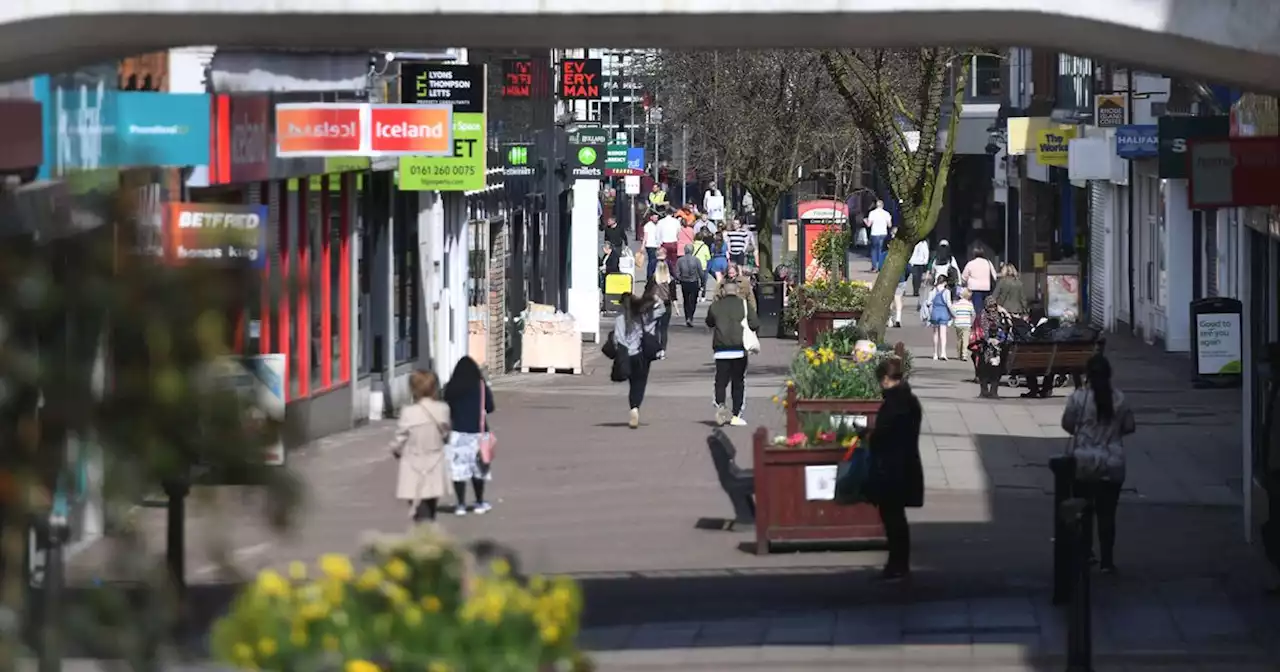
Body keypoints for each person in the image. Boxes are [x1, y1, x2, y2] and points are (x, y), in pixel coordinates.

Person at [1062, 354, 1136, 574]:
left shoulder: (1078, 398)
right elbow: (1129, 426)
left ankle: (1086, 554)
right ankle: (1107, 561)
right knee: (1107, 514)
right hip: (1112, 461)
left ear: (1088, 376)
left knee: (1084, 511)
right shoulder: (1120, 399)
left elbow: (1068, 424)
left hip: (1084, 461)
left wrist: (1085, 431)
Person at [865, 356, 923, 581]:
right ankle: (898, 563)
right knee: (894, 515)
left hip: (894, 466)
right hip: (903, 463)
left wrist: (870, 435)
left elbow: (888, 432)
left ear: (888, 379)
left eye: (882, 380)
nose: (880, 384)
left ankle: (898, 563)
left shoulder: (896, 403)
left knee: (893, 516)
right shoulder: (907, 399)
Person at [390, 370, 452, 524]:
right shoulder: (443, 409)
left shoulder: (408, 412)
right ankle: (429, 537)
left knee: (419, 509)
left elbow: (401, 437)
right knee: (431, 506)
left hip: (413, 465)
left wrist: (395, 449)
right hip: (435, 463)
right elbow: (446, 435)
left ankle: (425, 541)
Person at [442, 357, 496, 515]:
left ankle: (460, 505)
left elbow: (447, 406)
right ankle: (479, 502)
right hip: (479, 434)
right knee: (479, 469)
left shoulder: (451, 387)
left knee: (458, 471)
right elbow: (490, 407)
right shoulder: (481, 386)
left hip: (457, 433)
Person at [705, 277, 760, 427]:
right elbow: (755, 323)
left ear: (723, 291)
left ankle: (720, 404)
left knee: (720, 380)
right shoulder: (744, 305)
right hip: (739, 349)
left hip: (721, 349)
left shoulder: (716, 306)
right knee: (738, 381)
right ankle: (736, 414)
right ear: (737, 291)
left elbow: (709, 322)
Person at [614, 291, 662, 428]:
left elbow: (618, 338)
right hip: (642, 355)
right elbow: (661, 311)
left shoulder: (620, 317)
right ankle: (635, 407)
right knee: (640, 384)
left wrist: (622, 351)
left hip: (628, 355)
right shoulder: (643, 315)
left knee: (632, 383)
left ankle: (633, 407)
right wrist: (656, 298)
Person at [975, 301, 1005, 398]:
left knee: (995, 369)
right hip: (984, 347)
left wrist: (998, 340)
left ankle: (993, 391)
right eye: (990, 307)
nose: (992, 309)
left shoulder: (1000, 315)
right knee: (983, 369)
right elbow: (979, 331)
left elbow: (1005, 330)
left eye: (994, 307)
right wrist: (988, 339)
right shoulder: (982, 316)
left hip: (997, 349)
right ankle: (984, 391)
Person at [648, 252, 676, 356]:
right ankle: (662, 350)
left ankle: (656, 349)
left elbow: (647, 292)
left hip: (655, 305)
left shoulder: (653, 279)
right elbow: (673, 296)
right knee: (664, 329)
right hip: (667, 305)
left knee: (655, 328)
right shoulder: (670, 280)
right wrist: (677, 309)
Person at [961, 249, 998, 316]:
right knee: (986, 308)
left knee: (977, 308)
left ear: (974, 254)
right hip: (986, 288)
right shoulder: (988, 262)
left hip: (974, 288)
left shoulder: (971, 263)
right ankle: (985, 322)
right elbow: (994, 276)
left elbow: (964, 277)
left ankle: (978, 323)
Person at [926, 275, 954, 360]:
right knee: (943, 334)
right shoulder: (946, 291)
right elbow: (949, 304)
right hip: (943, 313)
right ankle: (943, 353)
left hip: (935, 312)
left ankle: (935, 353)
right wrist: (953, 314)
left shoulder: (933, 290)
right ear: (945, 282)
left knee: (935, 333)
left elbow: (928, 302)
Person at [676, 243, 703, 326]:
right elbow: (701, 272)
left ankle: (687, 316)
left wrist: (680, 279)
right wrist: (703, 283)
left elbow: (677, 273)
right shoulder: (696, 260)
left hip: (684, 282)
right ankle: (690, 317)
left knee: (686, 300)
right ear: (692, 251)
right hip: (694, 282)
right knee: (693, 300)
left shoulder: (680, 260)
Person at [865, 199, 893, 272]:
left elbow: (869, 225)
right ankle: (880, 266)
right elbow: (889, 225)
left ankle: (875, 267)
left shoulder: (872, 213)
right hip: (883, 233)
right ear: (882, 205)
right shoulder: (886, 213)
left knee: (874, 250)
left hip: (874, 233)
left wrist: (865, 220)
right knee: (881, 250)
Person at [952, 289, 976, 361]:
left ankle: (959, 353)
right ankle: (964, 355)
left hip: (958, 323)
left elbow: (953, 312)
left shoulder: (956, 304)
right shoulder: (970, 304)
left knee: (959, 339)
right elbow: (973, 314)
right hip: (966, 324)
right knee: (965, 340)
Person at [658, 207, 682, 274]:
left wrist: (658, 244)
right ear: (672, 214)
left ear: (665, 213)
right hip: (673, 243)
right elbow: (678, 232)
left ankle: (664, 274)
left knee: (664, 260)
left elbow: (658, 234)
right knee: (674, 261)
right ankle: (674, 275)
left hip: (664, 243)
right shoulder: (676, 222)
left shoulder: (660, 222)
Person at [692, 234, 713, 299]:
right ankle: (703, 296)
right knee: (704, 282)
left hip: (694, 266)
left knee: (695, 282)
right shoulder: (705, 246)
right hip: (703, 266)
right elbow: (708, 257)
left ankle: (697, 296)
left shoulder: (692, 246)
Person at [642, 213, 661, 279]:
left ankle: (655, 275)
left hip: (657, 245)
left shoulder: (659, 225)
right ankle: (650, 276)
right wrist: (643, 246)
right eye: (655, 217)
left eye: (657, 218)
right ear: (651, 217)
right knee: (652, 261)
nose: (656, 219)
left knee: (657, 261)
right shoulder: (647, 226)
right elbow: (645, 236)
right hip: (650, 245)